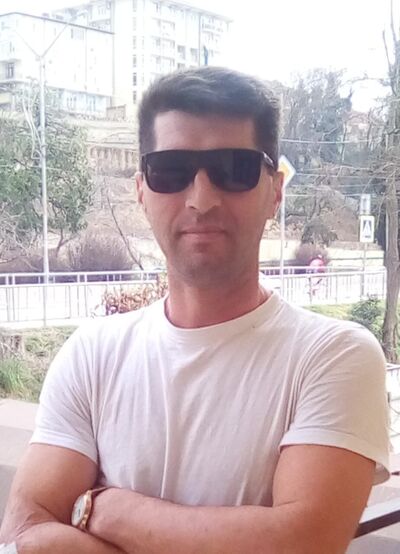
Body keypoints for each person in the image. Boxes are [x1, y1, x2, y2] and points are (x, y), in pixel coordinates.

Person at [0, 66, 389, 554]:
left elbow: (303, 541)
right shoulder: (91, 354)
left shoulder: (333, 356)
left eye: (234, 169)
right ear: (141, 190)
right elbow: (27, 531)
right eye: (171, 171)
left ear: (275, 191)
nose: (202, 200)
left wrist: (107, 509)